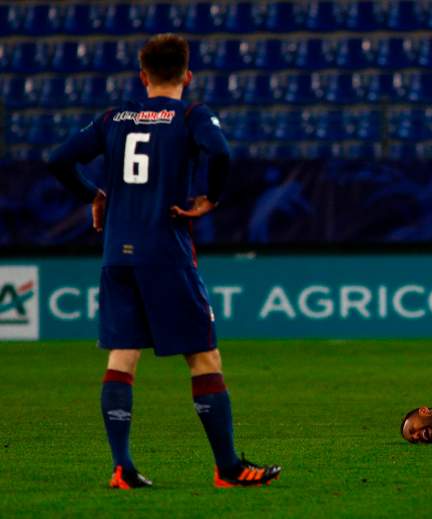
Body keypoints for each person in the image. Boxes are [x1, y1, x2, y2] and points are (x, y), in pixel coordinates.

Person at [47, 34, 280, 489]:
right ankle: (228, 468)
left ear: (143, 76)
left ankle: (122, 467)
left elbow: (59, 159)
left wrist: (94, 195)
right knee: (204, 356)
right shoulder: (190, 115)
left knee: (123, 355)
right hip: (165, 254)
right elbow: (221, 151)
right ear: (187, 76)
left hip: (117, 255)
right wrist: (210, 198)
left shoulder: (114, 117)